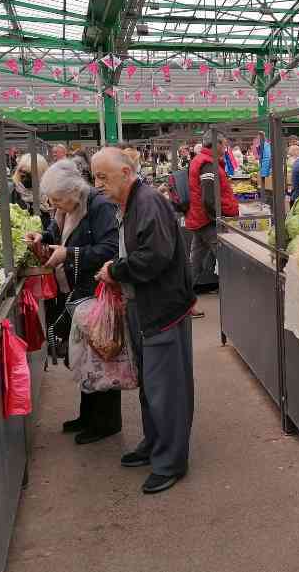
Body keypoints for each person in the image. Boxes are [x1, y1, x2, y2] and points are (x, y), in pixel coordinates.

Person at [92, 147, 196, 495]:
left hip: (163, 308)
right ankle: (154, 445)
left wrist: (115, 271)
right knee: (151, 385)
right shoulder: (128, 203)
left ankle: (170, 461)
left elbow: (155, 255)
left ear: (126, 172)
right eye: (96, 177)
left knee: (166, 389)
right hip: (144, 306)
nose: (98, 184)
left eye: (103, 177)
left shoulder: (148, 202)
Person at [26, 160, 121, 445]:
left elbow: (110, 248)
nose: (54, 205)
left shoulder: (99, 206)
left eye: (57, 199)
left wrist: (69, 253)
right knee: (82, 357)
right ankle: (87, 415)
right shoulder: (67, 207)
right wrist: (42, 237)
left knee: (100, 357)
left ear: (73, 191)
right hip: (77, 292)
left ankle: (106, 422)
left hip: (95, 291)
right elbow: (58, 233)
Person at [185, 132, 240, 302]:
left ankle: (183, 297)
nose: (225, 148)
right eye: (223, 144)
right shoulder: (208, 164)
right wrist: (218, 218)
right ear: (216, 144)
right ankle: (234, 298)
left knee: (195, 261)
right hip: (208, 221)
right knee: (226, 260)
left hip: (199, 219)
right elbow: (208, 198)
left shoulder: (202, 160)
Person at [11, 154, 51, 226]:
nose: (25, 179)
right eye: (23, 175)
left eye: (30, 176)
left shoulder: (49, 194)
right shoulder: (11, 191)